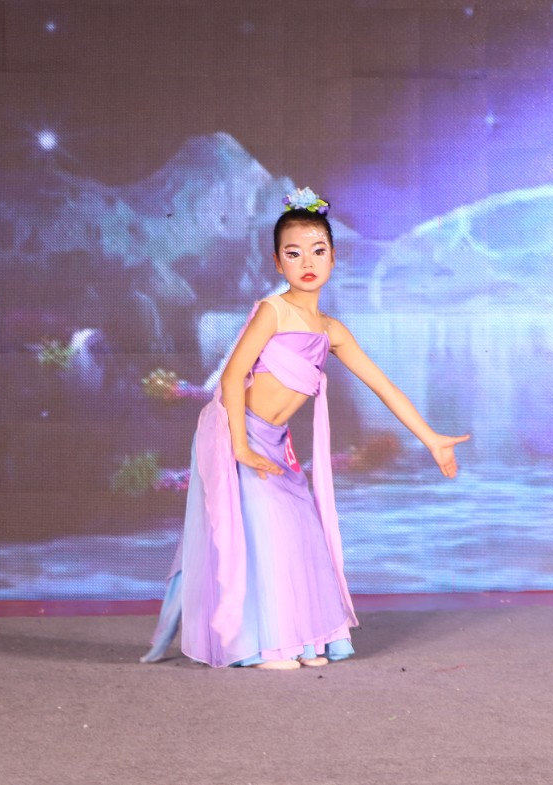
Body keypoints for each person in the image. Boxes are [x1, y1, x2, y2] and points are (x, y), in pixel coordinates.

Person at [141, 188, 469, 669]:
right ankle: (259, 646)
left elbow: (384, 386)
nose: (307, 262)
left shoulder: (332, 331)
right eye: (293, 253)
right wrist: (240, 447)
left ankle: (306, 640)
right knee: (263, 532)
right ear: (278, 262)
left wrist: (431, 438)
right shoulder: (272, 312)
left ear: (333, 258)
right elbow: (232, 377)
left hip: (276, 444)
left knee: (300, 532)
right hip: (234, 432)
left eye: (318, 251)